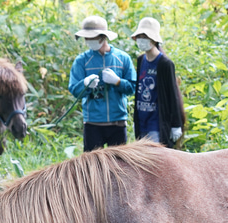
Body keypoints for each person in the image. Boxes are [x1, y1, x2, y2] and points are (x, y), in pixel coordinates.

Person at [68, 15, 136, 152]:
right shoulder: (82, 60)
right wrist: (85, 84)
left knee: (119, 166)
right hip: (93, 123)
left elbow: (132, 88)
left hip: (117, 122)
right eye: (86, 38)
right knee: (92, 168)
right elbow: (75, 90)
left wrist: (117, 81)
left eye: (91, 37)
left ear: (102, 37)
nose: (87, 41)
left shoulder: (122, 58)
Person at [130, 17, 186, 148]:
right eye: (140, 36)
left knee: (155, 160)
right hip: (142, 120)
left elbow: (172, 94)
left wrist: (175, 124)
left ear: (153, 39)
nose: (141, 39)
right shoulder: (140, 60)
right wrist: (136, 118)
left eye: (145, 36)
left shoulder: (165, 63)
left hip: (157, 122)